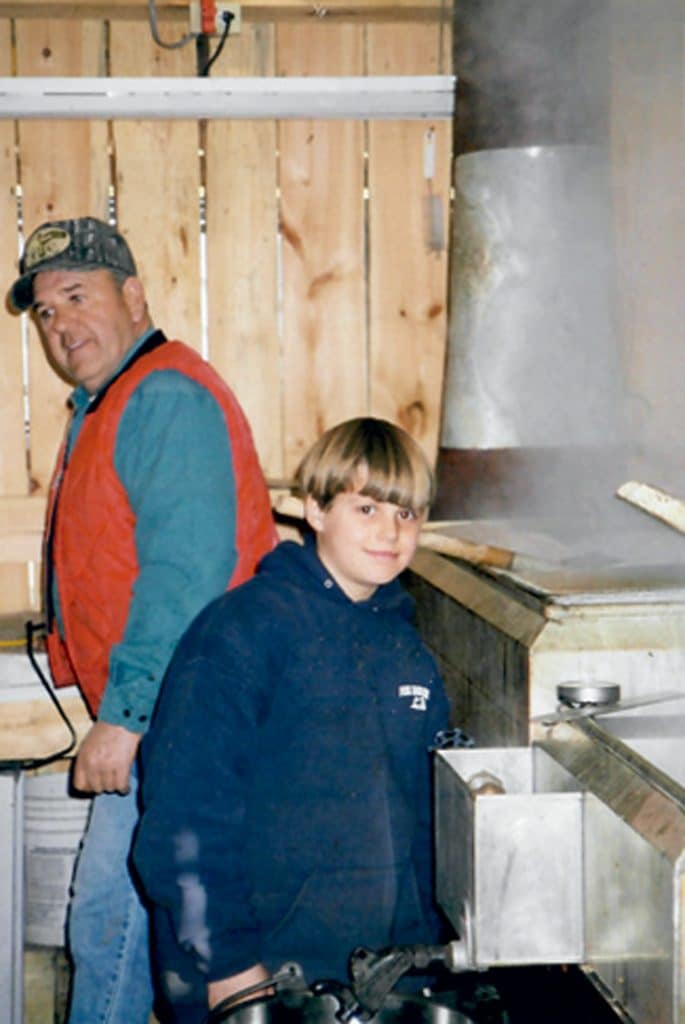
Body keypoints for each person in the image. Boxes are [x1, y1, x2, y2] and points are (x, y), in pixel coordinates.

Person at [8, 217, 277, 1024]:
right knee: (136, 926)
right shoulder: (111, 401)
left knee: (111, 921)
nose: (60, 326)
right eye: (46, 312)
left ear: (133, 296)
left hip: (183, 714)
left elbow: (184, 576)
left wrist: (123, 717)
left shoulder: (160, 396)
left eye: (77, 296)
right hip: (173, 710)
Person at [133, 416, 452, 1023]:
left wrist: (422, 952)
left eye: (407, 514)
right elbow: (184, 812)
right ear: (315, 509)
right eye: (366, 509)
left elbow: (420, 824)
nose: (390, 532)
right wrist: (227, 965)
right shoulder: (243, 631)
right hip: (257, 972)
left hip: (369, 978)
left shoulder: (410, 655)